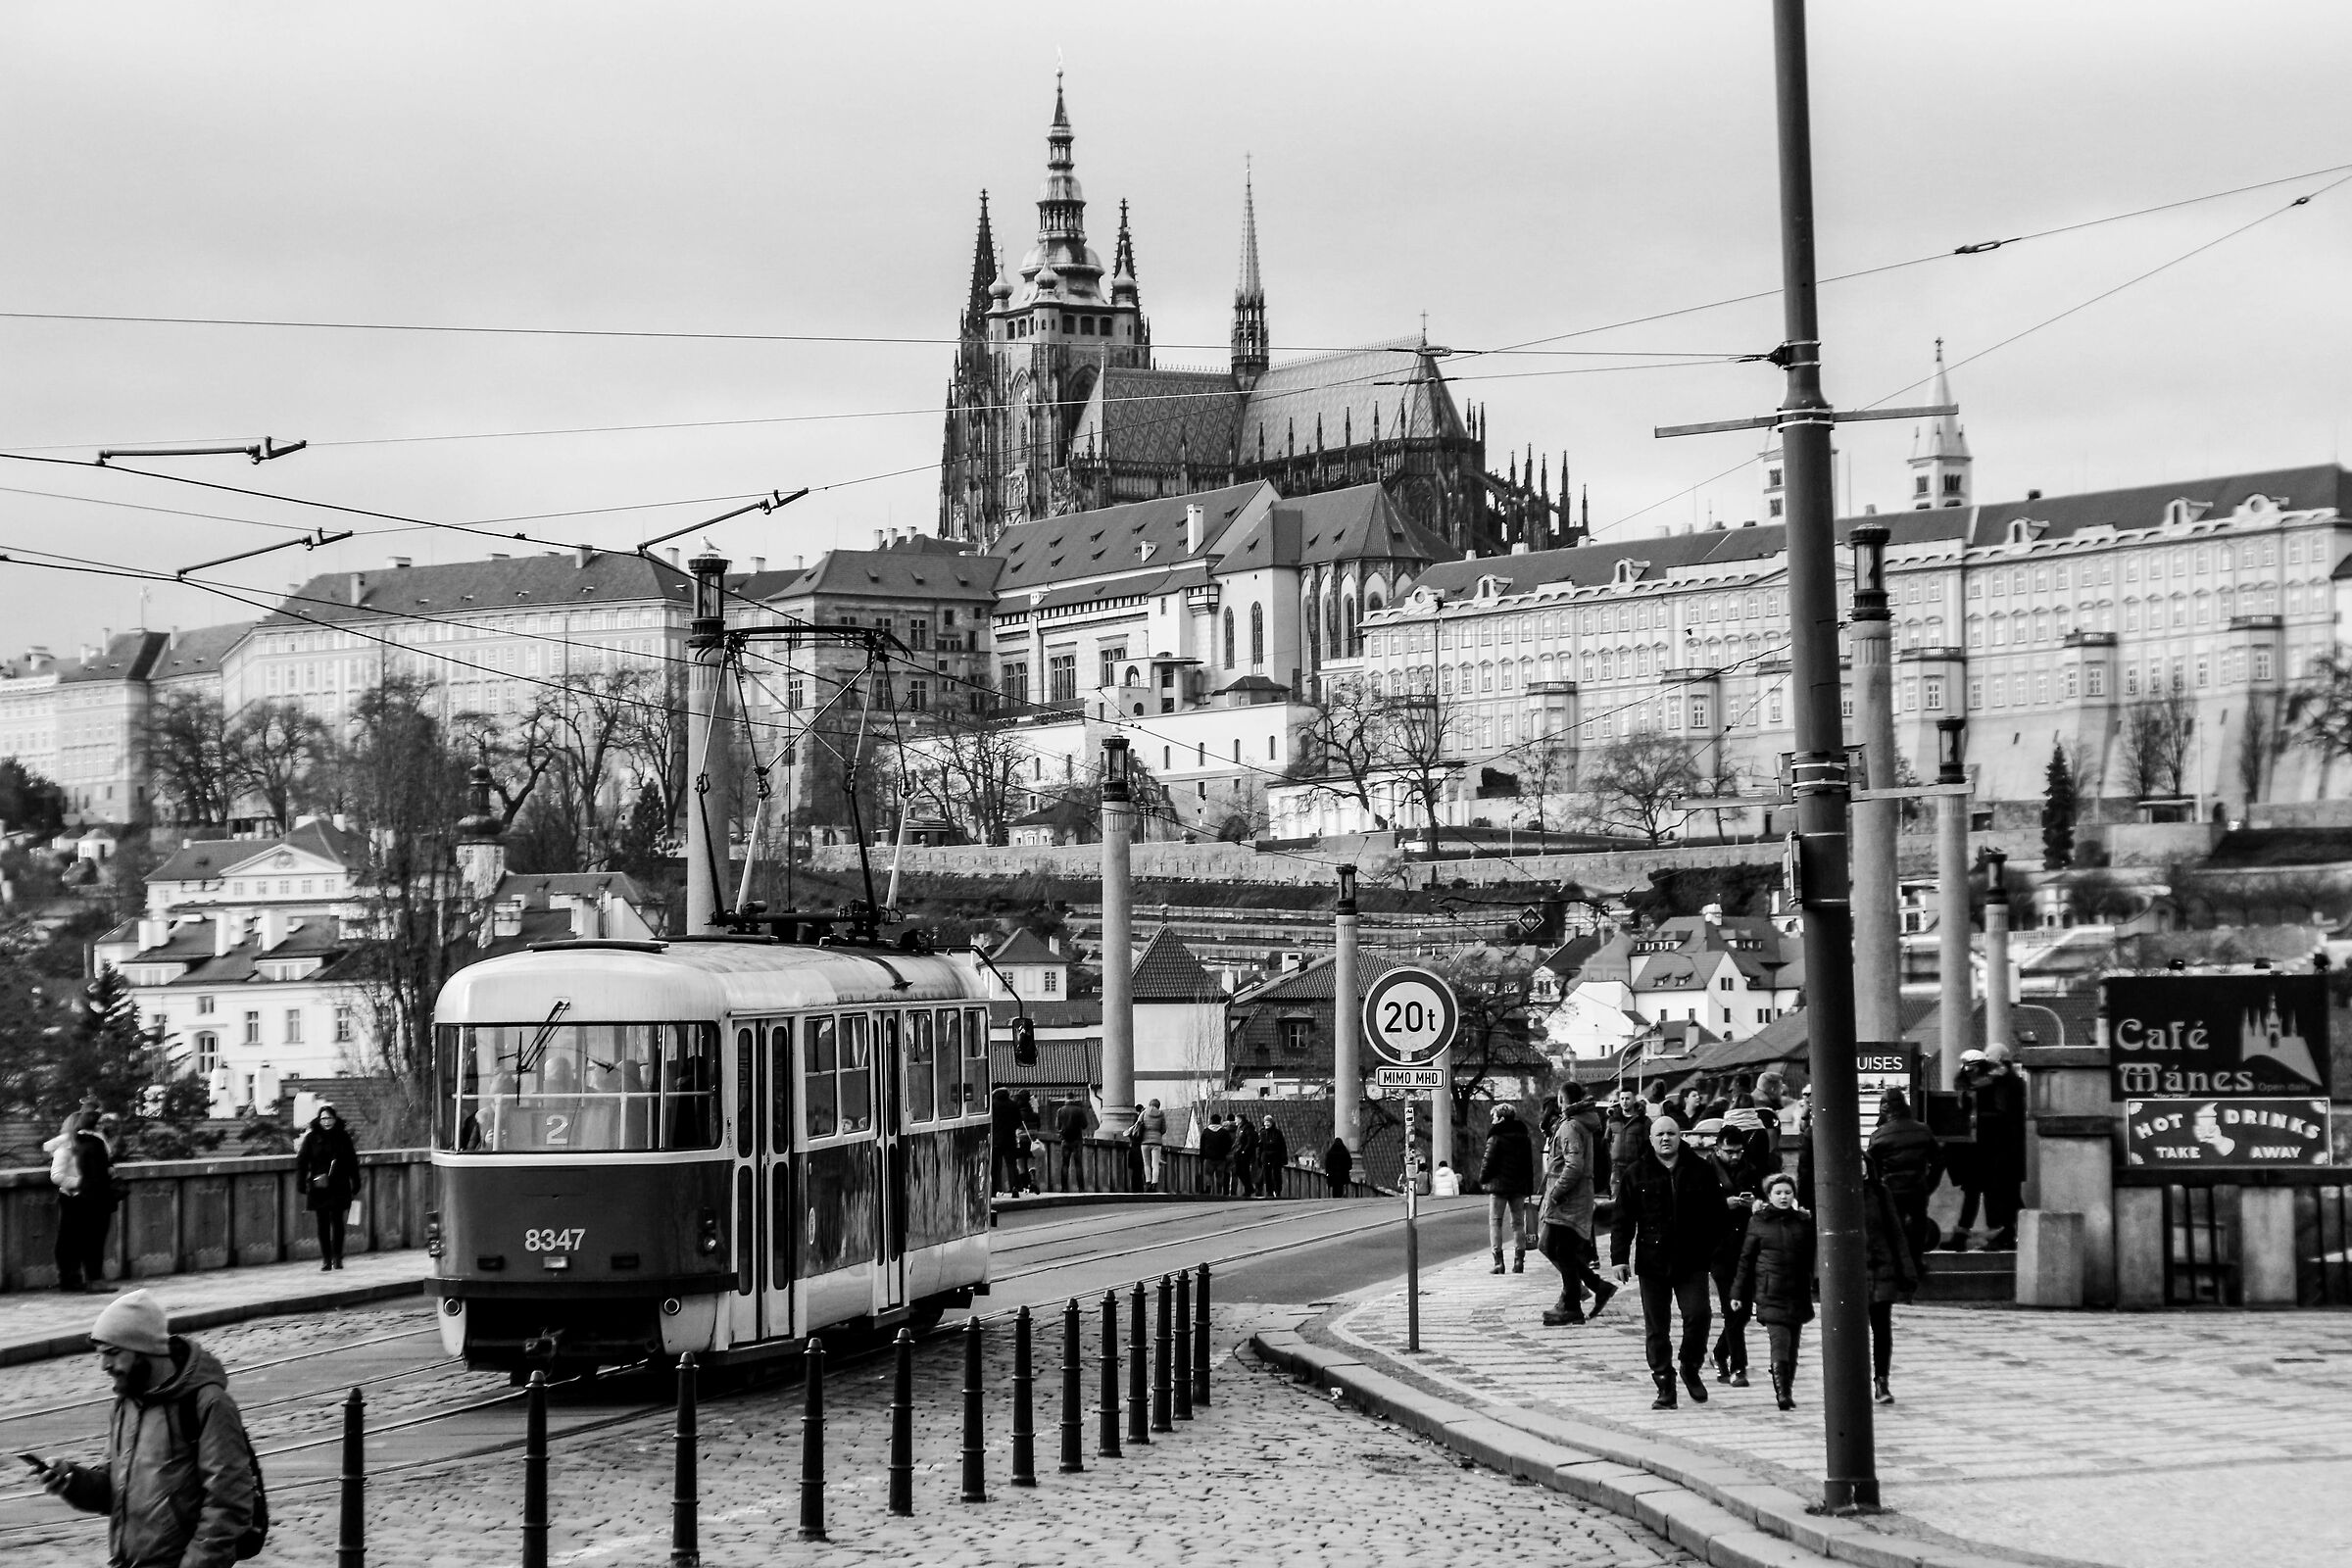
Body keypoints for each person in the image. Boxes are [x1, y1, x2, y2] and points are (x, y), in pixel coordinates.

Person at [32, 1289, 261, 1565]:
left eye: (113, 1353)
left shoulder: (208, 1403)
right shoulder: (125, 1403)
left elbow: (229, 1504)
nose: (104, 1365)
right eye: (101, 1354)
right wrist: (71, 1480)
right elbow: (114, 1491)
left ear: (145, 1350)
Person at [1612, 1114, 1737, 1409]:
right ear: (1651, 1139)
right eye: (1660, 1135)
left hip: (1692, 1260)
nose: (1665, 1139)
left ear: (1680, 1137)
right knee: (1657, 1327)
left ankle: (1690, 1366)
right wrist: (1619, 1258)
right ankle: (1664, 1384)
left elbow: (1718, 1216)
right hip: (1652, 1260)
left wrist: (1715, 1253)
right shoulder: (1636, 1173)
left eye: (1671, 1133)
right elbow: (1622, 1219)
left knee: (1699, 1315)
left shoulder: (1700, 1170)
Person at [1729, 1172, 1816, 1411]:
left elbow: (1811, 1255)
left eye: (1788, 1192)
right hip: (1770, 1291)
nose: (1783, 1197)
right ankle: (1782, 1393)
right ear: (1769, 1196)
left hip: (1797, 1292)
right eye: (1778, 1193)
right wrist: (1737, 1292)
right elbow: (1746, 1259)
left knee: (1793, 1346)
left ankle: (1788, 1387)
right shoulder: (1758, 1222)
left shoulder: (1803, 1221)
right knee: (1780, 1341)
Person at [1537, 1084, 1615, 1326]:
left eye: (1560, 1099)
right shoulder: (1577, 1122)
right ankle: (1594, 1287)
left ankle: (1572, 1305)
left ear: (1563, 1100)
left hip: (1568, 1198)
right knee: (1553, 1246)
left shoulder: (1571, 1126)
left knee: (1561, 1250)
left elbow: (1573, 1165)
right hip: (1572, 1196)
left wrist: (1557, 1192)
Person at [1705, 1110, 1774, 1386]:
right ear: (1717, 1149)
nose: (1735, 1156)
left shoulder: (1752, 1171)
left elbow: (1764, 1201)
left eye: (1739, 1151)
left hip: (1746, 1248)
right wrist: (1724, 1204)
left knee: (1743, 1311)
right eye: (1729, 1152)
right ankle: (1738, 1367)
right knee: (1732, 1307)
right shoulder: (1705, 1172)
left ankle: (1719, 1353)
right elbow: (1695, 1208)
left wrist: (1754, 1204)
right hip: (1719, 1249)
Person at [1861, 1150, 1920, 1403]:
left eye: (1862, 1163)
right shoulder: (1836, 1194)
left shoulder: (1879, 1192)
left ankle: (1881, 1380)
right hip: (1852, 1273)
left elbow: (1895, 1232)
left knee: (1881, 1328)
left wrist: (1906, 1269)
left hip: (1881, 1268)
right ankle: (1853, 1381)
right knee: (1851, 1330)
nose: (1859, 1168)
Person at [1867, 1088, 1943, 1258]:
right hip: (1918, 1187)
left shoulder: (1878, 1136)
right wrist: (1929, 1184)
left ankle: (1900, 1264)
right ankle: (1917, 1262)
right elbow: (1938, 1162)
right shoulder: (1923, 1130)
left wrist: (1878, 1190)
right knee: (1918, 1226)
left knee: (1893, 1228)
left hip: (1891, 1190)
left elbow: (1871, 1169)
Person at [48, 1109, 117, 1294]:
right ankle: (72, 1279)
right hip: (73, 1198)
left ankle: (86, 1279)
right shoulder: (65, 1148)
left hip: (89, 1197)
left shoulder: (92, 1144)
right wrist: (82, 1183)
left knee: (86, 1241)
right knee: (71, 1241)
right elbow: (57, 1176)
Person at [1973, 1044, 2029, 1250]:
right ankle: (2011, 1234)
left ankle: (2002, 1236)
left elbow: (1998, 1113)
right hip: (2011, 1153)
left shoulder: (2002, 1085)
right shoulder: (2015, 1083)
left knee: (1998, 1196)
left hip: (1998, 1152)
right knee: (2010, 1197)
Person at [295, 1103, 361, 1270]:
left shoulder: (343, 1137)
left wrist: (356, 1181)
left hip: (339, 1183)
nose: (326, 1121)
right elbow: (302, 1161)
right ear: (319, 1120)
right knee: (322, 1223)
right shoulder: (311, 1138)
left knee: (338, 1222)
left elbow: (352, 1161)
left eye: (329, 1118)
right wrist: (301, 1182)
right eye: (323, 1118)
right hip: (320, 1185)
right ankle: (326, 1258)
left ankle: (337, 1257)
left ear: (335, 1119)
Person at [1481, 1104, 1537, 1274]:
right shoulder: (1524, 1137)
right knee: (1518, 1223)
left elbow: (1487, 1162)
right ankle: (1519, 1261)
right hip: (1518, 1186)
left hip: (1499, 1186)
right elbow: (1529, 1165)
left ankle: (1498, 1262)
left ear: (1501, 1118)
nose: (1493, 1121)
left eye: (1494, 1117)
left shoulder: (1495, 1137)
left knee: (1495, 1222)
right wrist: (1529, 1186)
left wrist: (1483, 1179)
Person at [1943, 1050, 1988, 1249]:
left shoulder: (1980, 1088)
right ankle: (1961, 1234)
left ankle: (1961, 1235)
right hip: (1968, 1146)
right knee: (1973, 1191)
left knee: (1974, 1191)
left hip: (1976, 1147)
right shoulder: (1973, 1087)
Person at [1606, 1088, 1648, 1197]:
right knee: (1616, 1197)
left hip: (1635, 1166)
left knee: (1634, 1197)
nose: (1624, 1101)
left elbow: (1648, 1143)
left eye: (1627, 1098)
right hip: (1616, 1166)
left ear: (1634, 1100)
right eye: (1622, 1099)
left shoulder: (1643, 1120)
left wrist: (1643, 1161)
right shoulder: (1612, 1120)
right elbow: (1607, 1141)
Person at [1053, 1094, 1092, 1192]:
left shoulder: (1060, 1110)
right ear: (1074, 1099)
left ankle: (1064, 1188)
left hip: (1065, 1140)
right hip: (1077, 1140)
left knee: (1065, 1164)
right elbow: (1084, 1125)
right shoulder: (1079, 1110)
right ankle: (1081, 1188)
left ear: (1066, 1098)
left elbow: (1057, 1126)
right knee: (1078, 1164)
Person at [989, 1089, 1021, 1196]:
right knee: (1011, 1165)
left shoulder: (993, 1105)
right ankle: (1014, 1187)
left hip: (996, 1139)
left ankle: (993, 1190)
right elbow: (1019, 1121)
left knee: (994, 1166)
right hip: (1010, 1139)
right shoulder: (1013, 1104)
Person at [1200, 1113, 1233, 1197]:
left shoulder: (1206, 1131)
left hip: (1209, 1157)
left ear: (1211, 1121)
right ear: (1220, 1121)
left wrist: (1202, 1156)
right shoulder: (1224, 1132)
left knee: (1208, 1174)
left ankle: (1208, 1187)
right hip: (1221, 1158)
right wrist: (1224, 1153)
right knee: (1220, 1176)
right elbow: (1229, 1145)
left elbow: (1202, 1145)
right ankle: (1219, 1192)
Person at [1139, 1099, 1169, 1192]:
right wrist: (1157, 1133)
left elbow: (1138, 1124)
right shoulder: (1161, 1114)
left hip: (1145, 1141)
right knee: (1155, 1164)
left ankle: (1148, 1183)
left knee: (1146, 1164)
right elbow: (1163, 1129)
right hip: (1157, 1142)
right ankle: (1154, 1184)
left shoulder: (1144, 1113)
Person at [1255, 1115, 1289, 1198]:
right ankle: (1269, 1191)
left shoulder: (1277, 1133)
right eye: (1265, 1122)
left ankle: (1278, 1191)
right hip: (1265, 1156)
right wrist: (1259, 1158)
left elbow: (1282, 1146)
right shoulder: (1262, 1133)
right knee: (1267, 1174)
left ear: (1272, 1123)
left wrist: (1284, 1157)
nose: (1267, 1124)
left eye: (1268, 1122)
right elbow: (1260, 1147)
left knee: (1276, 1174)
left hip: (1276, 1155)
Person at [1231, 1111, 1259, 1198]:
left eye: (1236, 1119)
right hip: (1238, 1152)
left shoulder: (1247, 1128)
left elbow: (1249, 1141)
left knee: (1243, 1171)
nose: (1235, 1121)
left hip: (1244, 1154)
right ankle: (1249, 1188)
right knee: (1240, 1171)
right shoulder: (1240, 1128)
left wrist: (1244, 1150)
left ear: (1240, 1120)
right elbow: (1238, 1140)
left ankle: (1248, 1189)